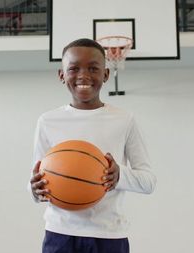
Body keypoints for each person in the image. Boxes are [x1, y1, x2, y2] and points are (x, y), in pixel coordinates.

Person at [29, 38, 156, 253]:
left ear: (106, 74)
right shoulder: (47, 121)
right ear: (62, 75)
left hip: (109, 236)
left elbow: (148, 182)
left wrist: (119, 176)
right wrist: (34, 190)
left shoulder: (124, 119)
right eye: (74, 68)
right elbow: (37, 179)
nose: (83, 75)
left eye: (93, 68)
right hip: (60, 234)